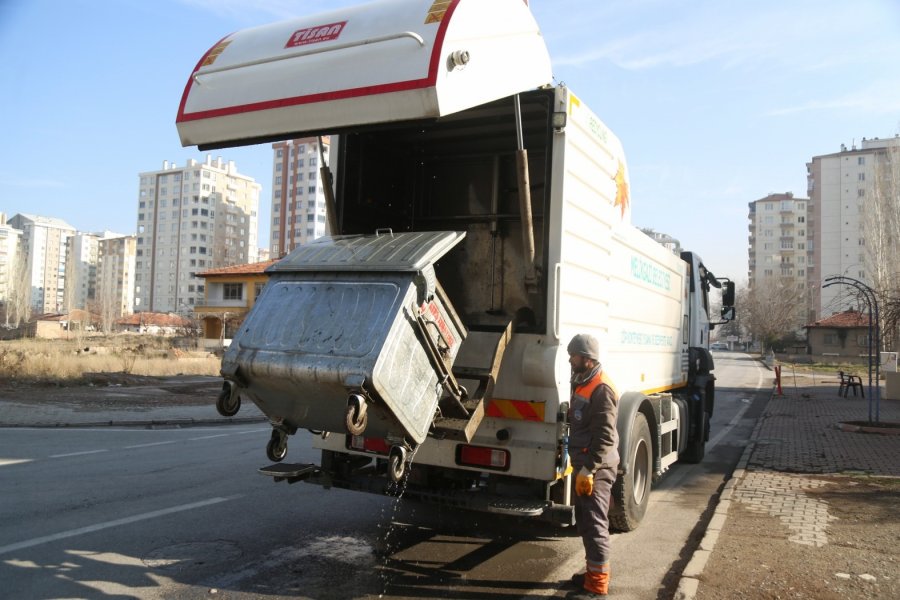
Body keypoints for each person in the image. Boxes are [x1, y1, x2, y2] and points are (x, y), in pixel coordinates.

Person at [565, 333, 619, 598]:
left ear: (587, 359)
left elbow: (606, 437)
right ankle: (591, 574)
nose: (570, 359)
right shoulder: (582, 381)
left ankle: (597, 587)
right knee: (586, 522)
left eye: (573, 355)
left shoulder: (602, 389)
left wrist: (589, 469)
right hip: (584, 465)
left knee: (596, 524)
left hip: (596, 468)